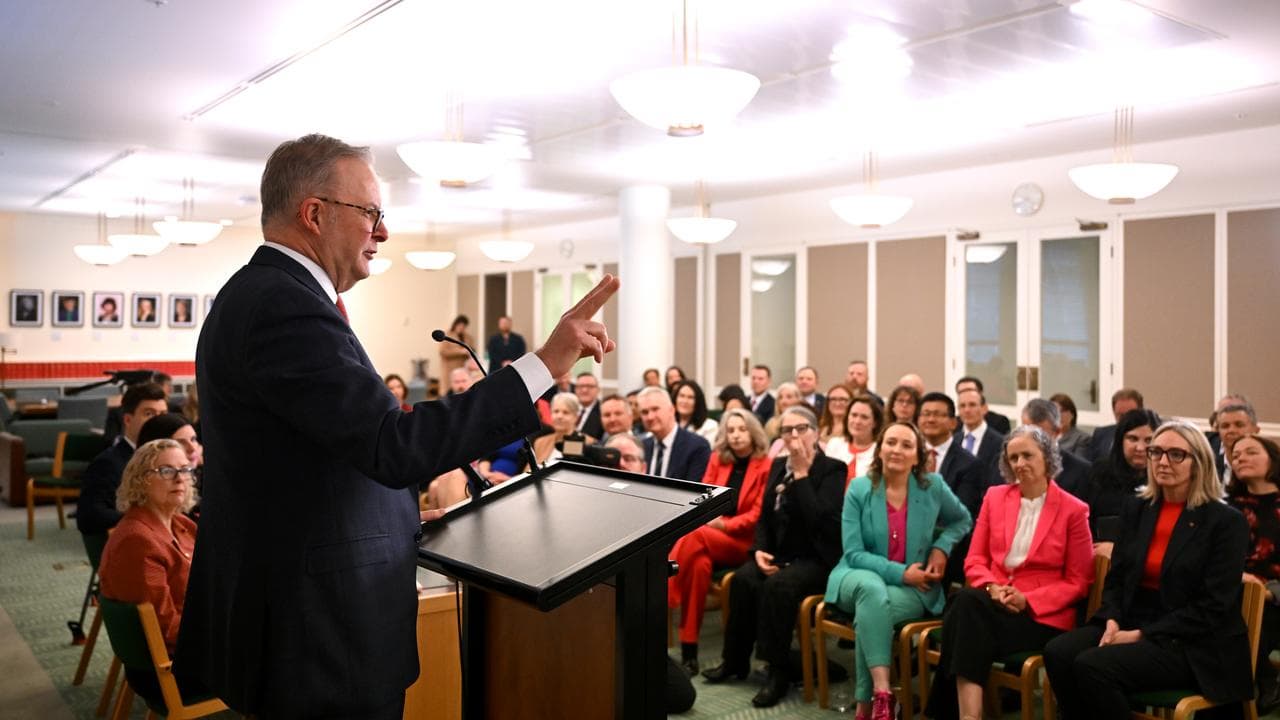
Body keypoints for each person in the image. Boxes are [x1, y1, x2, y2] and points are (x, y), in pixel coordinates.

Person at [177, 133, 618, 719]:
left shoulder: (267, 295)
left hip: (304, 617)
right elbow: (392, 444)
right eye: (371, 214)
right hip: (316, 638)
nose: (382, 232)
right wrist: (544, 364)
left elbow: (317, 454)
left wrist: (393, 517)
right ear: (314, 213)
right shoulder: (282, 305)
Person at [1043, 421, 1252, 718]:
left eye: (1176, 454)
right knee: (1059, 653)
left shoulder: (1225, 522)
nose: (1163, 461)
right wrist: (1113, 619)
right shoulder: (1138, 508)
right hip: (1133, 617)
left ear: (1199, 463)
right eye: (1157, 452)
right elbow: (1117, 577)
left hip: (1193, 639)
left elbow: (1213, 606)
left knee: (1093, 667)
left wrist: (1141, 634)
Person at [925, 426, 1094, 720]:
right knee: (966, 606)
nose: (1019, 464)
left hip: (1041, 617)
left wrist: (1027, 599)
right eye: (1013, 457)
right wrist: (992, 588)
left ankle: (951, 714)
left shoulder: (1073, 510)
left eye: (1027, 455)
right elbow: (975, 559)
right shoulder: (995, 497)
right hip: (992, 604)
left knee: (962, 609)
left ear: (1047, 457)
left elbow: (1079, 582)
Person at [825, 421, 972, 720]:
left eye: (907, 445)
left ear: (918, 456)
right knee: (871, 590)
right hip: (857, 574)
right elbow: (853, 552)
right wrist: (902, 573)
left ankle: (868, 706)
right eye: (891, 442)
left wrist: (941, 547)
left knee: (871, 615)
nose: (897, 450)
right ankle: (882, 692)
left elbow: (963, 520)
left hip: (913, 589)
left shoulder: (933, 487)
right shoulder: (860, 488)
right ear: (880, 450)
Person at [702, 406, 846, 708]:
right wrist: (759, 552)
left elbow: (821, 521)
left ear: (815, 433)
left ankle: (778, 671)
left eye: (801, 429)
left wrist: (804, 474)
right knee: (742, 579)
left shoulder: (833, 469)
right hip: (777, 554)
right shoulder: (779, 465)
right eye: (786, 430)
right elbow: (764, 518)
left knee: (777, 587)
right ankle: (735, 661)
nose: (793, 436)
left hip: (815, 559)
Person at [668, 409, 771, 675]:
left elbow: (757, 515)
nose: (735, 436)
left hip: (741, 543)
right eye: (731, 430)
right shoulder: (718, 459)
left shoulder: (766, 464)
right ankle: (689, 652)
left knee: (694, 535)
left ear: (753, 432)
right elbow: (704, 497)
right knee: (698, 566)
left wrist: (724, 524)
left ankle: (666, 591)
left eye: (741, 429)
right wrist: (710, 521)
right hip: (707, 539)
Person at [98, 439, 200, 705]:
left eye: (186, 470)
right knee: (285, 650)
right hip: (172, 669)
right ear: (140, 480)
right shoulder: (137, 541)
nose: (180, 478)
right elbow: (167, 631)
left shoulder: (182, 524)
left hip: (191, 645)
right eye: (167, 471)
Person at [1227, 433, 1280, 711]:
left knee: (1253, 612)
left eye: (1250, 452)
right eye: (1235, 455)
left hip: (1273, 598)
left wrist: (1269, 593)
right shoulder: (1226, 507)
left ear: (1272, 460)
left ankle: (1263, 681)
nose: (1241, 458)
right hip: (1233, 592)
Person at [76, 383, 170, 535]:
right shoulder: (108, 463)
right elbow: (89, 516)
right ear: (127, 420)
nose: (158, 421)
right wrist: (147, 519)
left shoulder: (174, 459)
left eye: (163, 414)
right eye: (149, 414)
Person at [1080, 408, 1160, 557]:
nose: (1140, 448)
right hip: (1096, 557)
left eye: (1149, 440)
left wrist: (1118, 550)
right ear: (1120, 440)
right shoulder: (1097, 474)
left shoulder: (1163, 480)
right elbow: (1081, 522)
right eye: (1133, 438)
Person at [639, 386, 711, 483]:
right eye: (644, 412)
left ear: (672, 410)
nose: (650, 417)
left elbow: (693, 493)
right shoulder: (641, 447)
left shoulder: (697, 447)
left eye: (655, 409)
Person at [1021, 398, 1090, 498]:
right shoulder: (1010, 464)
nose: (1031, 441)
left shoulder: (1082, 473)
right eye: (1025, 432)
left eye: (1039, 435)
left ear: (1057, 432)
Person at [828, 394, 884, 482]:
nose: (857, 421)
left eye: (864, 417)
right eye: (854, 415)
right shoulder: (834, 445)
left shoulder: (880, 451)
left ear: (875, 423)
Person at [1085, 387, 1144, 462]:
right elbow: (1088, 464)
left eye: (1130, 414)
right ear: (1114, 412)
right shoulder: (1101, 434)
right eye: (1121, 415)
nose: (1125, 419)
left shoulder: (1150, 438)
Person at [954, 387, 1005, 471]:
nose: (967, 410)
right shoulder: (954, 440)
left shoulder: (999, 443)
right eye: (962, 406)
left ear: (984, 408)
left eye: (972, 405)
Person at [530, 392, 584, 467]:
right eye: (556, 411)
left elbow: (570, 469)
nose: (559, 416)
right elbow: (528, 470)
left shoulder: (578, 441)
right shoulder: (541, 442)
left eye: (565, 412)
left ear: (576, 417)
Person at [1214, 400, 1260, 483]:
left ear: (1256, 430)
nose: (1231, 430)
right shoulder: (1209, 467)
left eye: (1239, 425)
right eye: (1225, 426)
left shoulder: (1268, 469)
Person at [1051, 392, 1092, 458]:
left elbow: (1078, 465)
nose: (1058, 416)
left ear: (1072, 415)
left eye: (1062, 411)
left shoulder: (1082, 439)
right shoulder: (1044, 435)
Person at [573, 372, 604, 440]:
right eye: (581, 386)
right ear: (575, 389)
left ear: (598, 390)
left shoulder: (603, 412)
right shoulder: (569, 409)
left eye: (590, 386)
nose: (585, 390)